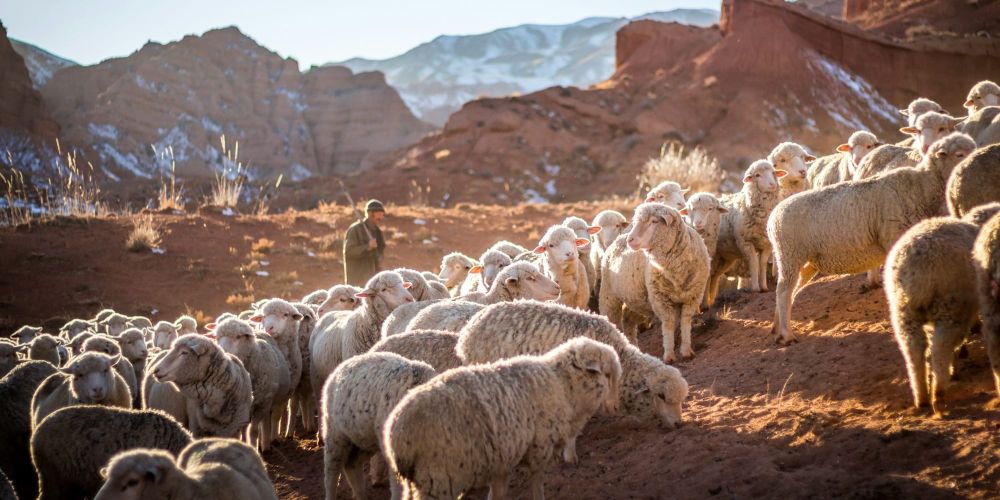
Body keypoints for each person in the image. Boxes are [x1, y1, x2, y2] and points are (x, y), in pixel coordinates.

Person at [343, 199, 386, 286]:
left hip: (373, 281)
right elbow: (349, 252)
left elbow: (380, 254)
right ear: (370, 213)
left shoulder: (378, 232)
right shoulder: (355, 230)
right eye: (379, 214)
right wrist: (367, 247)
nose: (381, 217)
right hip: (357, 280)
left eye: (382, 214)